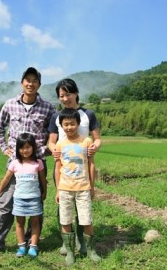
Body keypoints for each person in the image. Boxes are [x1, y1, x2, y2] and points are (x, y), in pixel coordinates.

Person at [0, 67, 56, 256]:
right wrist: (4, 147)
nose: (30, 83)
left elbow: (54, 133)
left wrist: (45, 150)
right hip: (15, 164)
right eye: (27, 80)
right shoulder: (9, 104)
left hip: (37, 164)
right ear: (22, 82)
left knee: (36, 204)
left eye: (34, 80)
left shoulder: (48, 107)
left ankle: (32, 244)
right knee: (6, 205)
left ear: (39, 84)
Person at [47, 78, 101, 256]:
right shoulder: (57, 116)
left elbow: (97, 138)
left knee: (82, 205)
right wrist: (54, 150)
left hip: (82, 165)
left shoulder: (88, 114)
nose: (64, 98)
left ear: (76, 93)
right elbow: (51, 141)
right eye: (61, 95)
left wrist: (95, 146)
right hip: (64, 166)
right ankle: (67, 244)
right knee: (63, 202)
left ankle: (81, 241)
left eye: (67, 94)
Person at [54, 108, 101, 266]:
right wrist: (58, 190)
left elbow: (91, 165)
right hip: (65, 189)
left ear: (78, 124)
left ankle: (91, 250)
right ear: (61, 126)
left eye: (72, 124)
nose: (69, 127)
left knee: (86, 220)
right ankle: (70, 252)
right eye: (65, 124)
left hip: (83, 188)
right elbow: (57, 168)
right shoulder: (60, 144)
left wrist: (92, 187)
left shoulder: (86, 141)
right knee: (65, 221)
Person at [0, 133, 47, 258]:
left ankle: (33, 246)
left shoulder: (38, 163)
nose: (25, 150)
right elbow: (6, 179)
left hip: (34, 198)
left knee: (35, 223)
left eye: (28, 147)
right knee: (19, 223)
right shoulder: (14, 163)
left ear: (33, 148)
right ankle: (22, 246)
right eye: (22, 148)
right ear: (18, 149)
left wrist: (45, 192)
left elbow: (43, 180)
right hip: (19, 199)